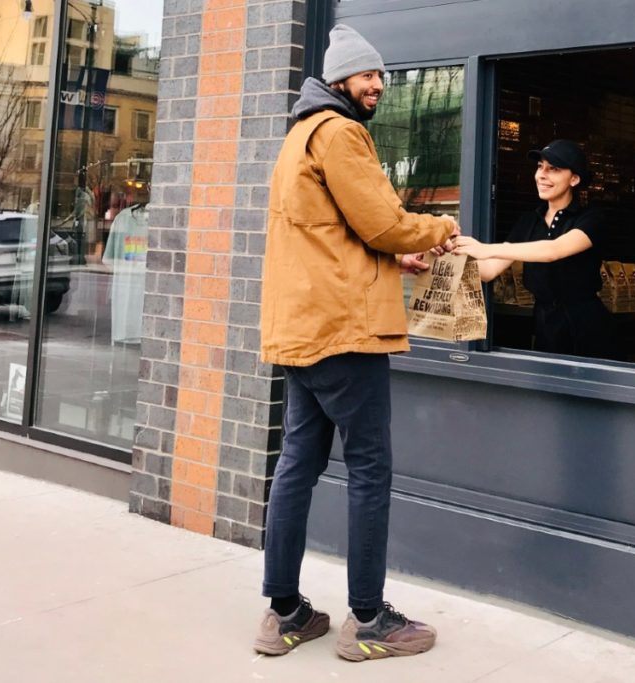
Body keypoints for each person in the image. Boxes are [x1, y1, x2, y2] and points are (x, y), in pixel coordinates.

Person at [255, 24, 458, 662]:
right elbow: (382, 221)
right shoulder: (340, 132)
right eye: (368, 75)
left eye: (380, 77)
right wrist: (441, 225)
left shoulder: (298, 137)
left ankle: (284, 614)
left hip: (301, 327)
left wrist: (393, 264)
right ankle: (368, 620)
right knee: (370, 470)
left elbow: (330, 234)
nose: (378, 86)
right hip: (344, 332)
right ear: (341, 77)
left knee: (296, 466)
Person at [454, 139, 616, 359]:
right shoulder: (528, 221)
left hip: (586, 323)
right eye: (540, 167)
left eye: (554, 169)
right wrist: (452, 250)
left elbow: (553, 251)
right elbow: (489, 270)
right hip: (545, 323)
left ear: (574, 179)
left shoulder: (591, 218)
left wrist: (486, 248)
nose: (541, 175)